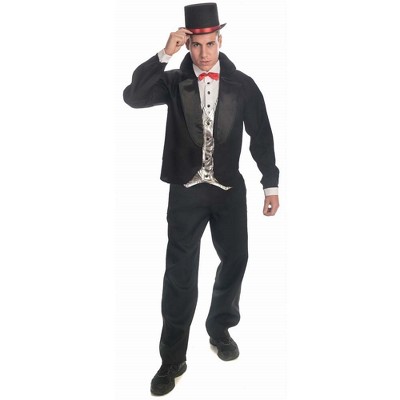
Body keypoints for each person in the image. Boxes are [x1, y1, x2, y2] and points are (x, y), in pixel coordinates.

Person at [123, 2, 279, 396]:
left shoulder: (243, 84)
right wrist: (165, 53)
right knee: (180, 274)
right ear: (187, 43)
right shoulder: (173, 82)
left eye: (209, 44)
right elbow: (133, 96)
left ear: (219, 41)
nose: (203, 53)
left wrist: (270, 184)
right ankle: (172, 359)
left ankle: (220, 328)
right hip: (186, 192)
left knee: (236, 259)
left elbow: (261, 134)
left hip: (228, 192)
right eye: (195, 45)